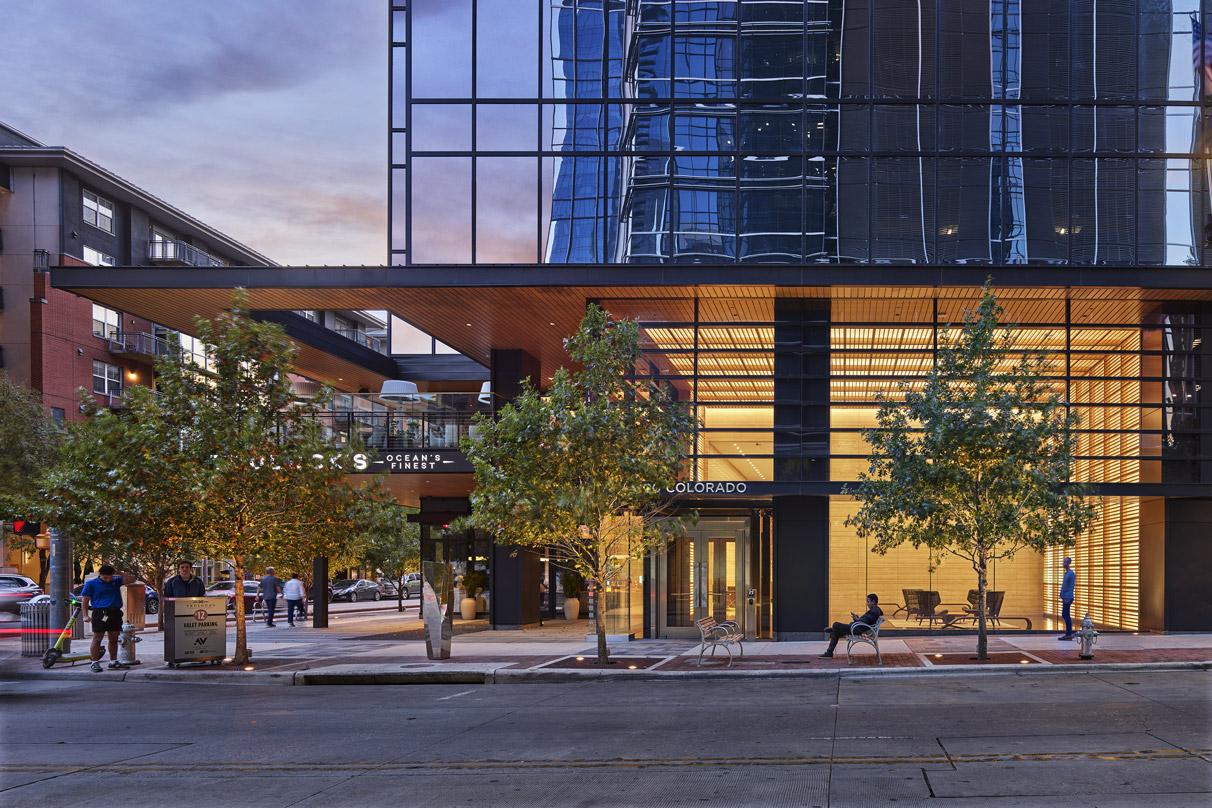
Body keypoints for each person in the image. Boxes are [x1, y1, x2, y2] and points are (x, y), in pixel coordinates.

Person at [80, 564, 132, 673]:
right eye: (105, 578)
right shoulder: (91, 583)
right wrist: (85, 615)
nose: (108, 580)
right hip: (100, 613)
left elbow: (132, 580)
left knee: (113, 638)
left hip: (115, 612)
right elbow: (85, 600)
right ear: (100, 575)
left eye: (110, 577)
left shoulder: (116, 580)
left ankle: (113, 661)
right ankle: (94, 662)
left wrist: (119, 572)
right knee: (97, 637)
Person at [820, 593, 883, 658]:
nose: (867, 603)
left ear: (873, 602)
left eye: (868, 601)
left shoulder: (875, 611)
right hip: (857, 627)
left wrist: (857, 619)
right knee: (836, 632)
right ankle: (829, 652)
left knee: (835, 625)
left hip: (857, 629)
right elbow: (866, 620)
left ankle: (833, 632)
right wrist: (857, 618)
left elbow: (866, 621)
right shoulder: (875, 610)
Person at [1058, 556, 1076, 640]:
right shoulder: (1067, 573)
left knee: (1066, 615)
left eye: (1065, 562)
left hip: (1068, 597)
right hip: (1065, 597)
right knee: (1065, 614)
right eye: (1063, 561)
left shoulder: (1070, 574)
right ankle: (1068, 633)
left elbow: (1069, 586)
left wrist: (1065, 595)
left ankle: (1069, 634)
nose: (1063, 563)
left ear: (1068, 563)